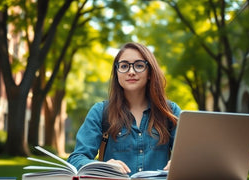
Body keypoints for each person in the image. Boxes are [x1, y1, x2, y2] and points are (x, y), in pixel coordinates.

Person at [67, 42, 181, 175]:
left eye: (139, 65)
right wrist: (102, 166)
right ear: (117, 73)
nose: (131, 72)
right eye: (124, 66)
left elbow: (191, 156)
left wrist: (180, 163)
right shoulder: (100, 112)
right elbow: (76, 159)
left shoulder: (170, 112)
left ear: (150, 72)